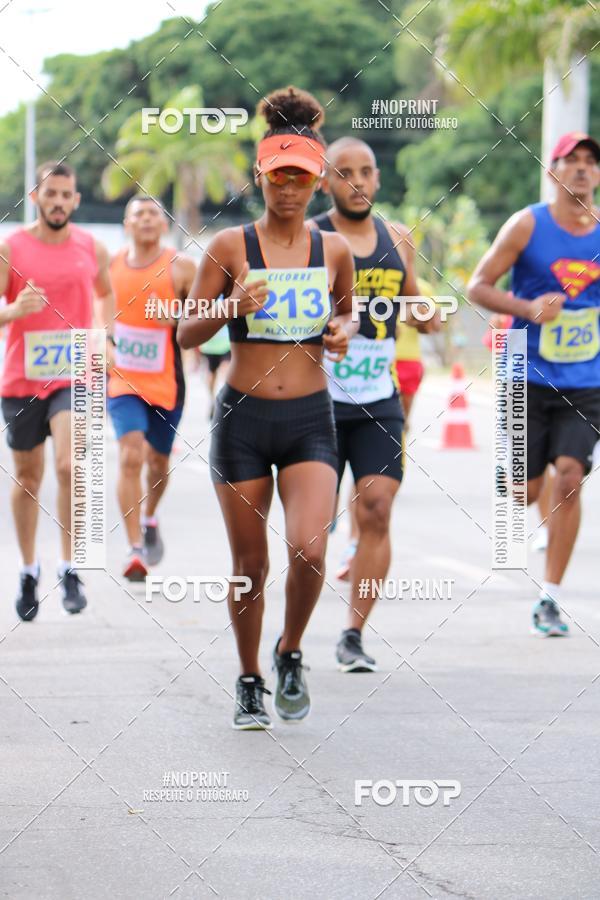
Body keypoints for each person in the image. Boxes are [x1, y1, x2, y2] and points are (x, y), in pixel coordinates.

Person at [178, 86, 356, 729]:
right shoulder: (229, 247)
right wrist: (231, 309)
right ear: (261, 174)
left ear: (316, 181)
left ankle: (291, 651)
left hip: (310, 417)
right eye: (278, 175)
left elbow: (345, 313)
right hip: (244, 420)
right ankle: (250, 676)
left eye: (300, 178)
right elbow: (186, 332)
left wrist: (342, 330)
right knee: (250, 564)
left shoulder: (332, 250)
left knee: (310, 548)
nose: (288, 188)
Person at [313, 137, 439, 671]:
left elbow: (411, 299)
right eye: (345, 173)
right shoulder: (309, 235)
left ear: (378, 180)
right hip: (314, 399)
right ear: (326, 182)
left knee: (377, 509)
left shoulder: (395, 236)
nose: (358, 181)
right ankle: (293, 636)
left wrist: (426, 312)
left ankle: (353, 635)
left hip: (377, 397)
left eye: (366, 171)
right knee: (310, 534)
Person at [469, 131, 600, 636]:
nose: (583, 169)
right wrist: (526, 309)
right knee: (525, 491)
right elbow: (478, 284)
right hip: (526, 369)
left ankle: (552, 597)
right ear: (553, 171)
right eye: (573, 161)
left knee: (570, 477)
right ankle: (517, 469)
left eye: (591, 162)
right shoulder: (527, 225)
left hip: (586, 378)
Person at [0, 161, 114, 620]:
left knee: (71, 466)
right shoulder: (11, 248)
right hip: (22, 377)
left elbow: (105, 296)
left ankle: (71, 566)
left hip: (76, 371)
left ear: (76, 201)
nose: (59, 202)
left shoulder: (93, 248)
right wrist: (13, 310)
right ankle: (29, 569)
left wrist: (102, 335)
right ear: (35, 197)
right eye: (52, 194)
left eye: (67, 195)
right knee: (28, 477)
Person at [108, 195, 196, 581]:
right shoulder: (109, 268)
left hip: (167, 381)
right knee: (130, 456)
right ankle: (135, 548)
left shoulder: (181, 268)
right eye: (138, 214)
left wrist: (176, 317)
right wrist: (104, 342)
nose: (145, 219)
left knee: (158, 463)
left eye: (153, 214)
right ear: (126, 225)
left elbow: (204, 319)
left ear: (164, 225)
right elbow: (94, 314)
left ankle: (149, 516)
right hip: (122, 379)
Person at [200, 324, 231, 418]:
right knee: (224, 371)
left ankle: (216, 400)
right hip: (221, 343)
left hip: (211, 344)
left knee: (214, 373)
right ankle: (218, 400)